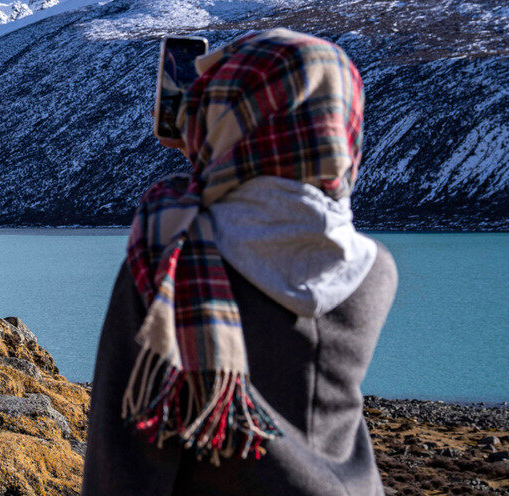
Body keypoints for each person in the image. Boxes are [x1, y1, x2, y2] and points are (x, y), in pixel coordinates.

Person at [82, 28, 397, 496]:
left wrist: (201, 148)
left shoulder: (174, 248)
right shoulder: (375, 269)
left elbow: (125, 450)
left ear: (223, 121)